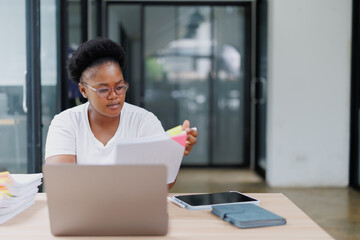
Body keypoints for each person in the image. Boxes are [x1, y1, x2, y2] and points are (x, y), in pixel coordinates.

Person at [45, 37, 198, 189]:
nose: (114, 96)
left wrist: (173, 152)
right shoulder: (65, 123)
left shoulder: (143, 121)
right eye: (103, 90)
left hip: (132, 211)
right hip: (81, 212)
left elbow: (162, 185)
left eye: (119, 87)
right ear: (83, 90)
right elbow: (61, 183)